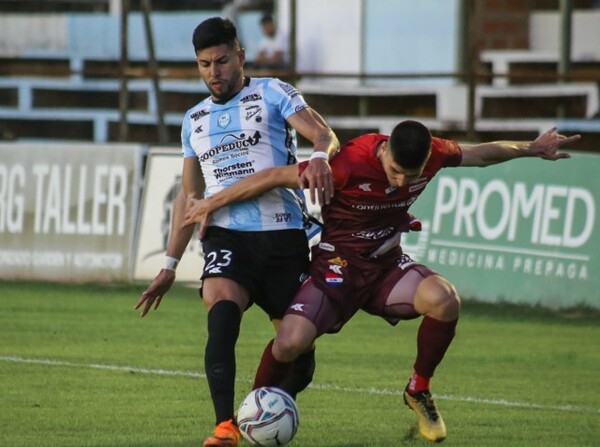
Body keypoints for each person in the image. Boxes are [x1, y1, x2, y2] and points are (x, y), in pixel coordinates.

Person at [181, 121, 580, 443]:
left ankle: (418, 389)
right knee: (288, 342)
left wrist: (532, 147)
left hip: (386, 268)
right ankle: (245, 417)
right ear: (384, 150)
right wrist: (210, 204)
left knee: (445, 300)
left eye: (413, 176)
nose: (403, 184)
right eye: (394, 173)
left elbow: (480, 153)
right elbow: (270, 176)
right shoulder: (347, 164)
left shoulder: (435, 153)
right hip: (336, 268)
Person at [134, 17, 339, 447]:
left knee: (298, 351)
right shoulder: (194, 120)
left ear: (240, 56)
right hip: (228, 238)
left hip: (284, 237)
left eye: (222, 61)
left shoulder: (272, 92)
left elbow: (322, 132)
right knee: (222, 314)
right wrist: (170, 264)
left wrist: (320, 155)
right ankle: (224, 427)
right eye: (204, 64)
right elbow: (190, 199)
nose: (214, 72)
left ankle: (264, 407)